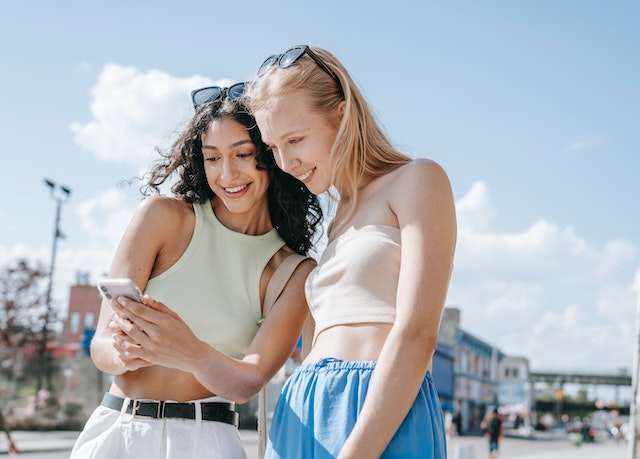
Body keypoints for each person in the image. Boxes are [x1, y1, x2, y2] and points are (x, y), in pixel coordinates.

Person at [70, 82, 323, 458]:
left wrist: (188, 351)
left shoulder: (292, 271)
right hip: (116, 431)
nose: (227, 174)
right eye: (213, 157)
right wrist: (122, 352)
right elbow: (101, 347)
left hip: (208, 441)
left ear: (270, 156)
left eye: (243, 154)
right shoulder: (161, 217)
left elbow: (249, 381)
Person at [246, 45, 457, 458]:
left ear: (341, 116)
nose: (286, 161)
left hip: (381, 414)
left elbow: (417, 333)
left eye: (296, 139)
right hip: (302, 411)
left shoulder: (417, 179)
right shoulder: (336, 223)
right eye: (273, 147)